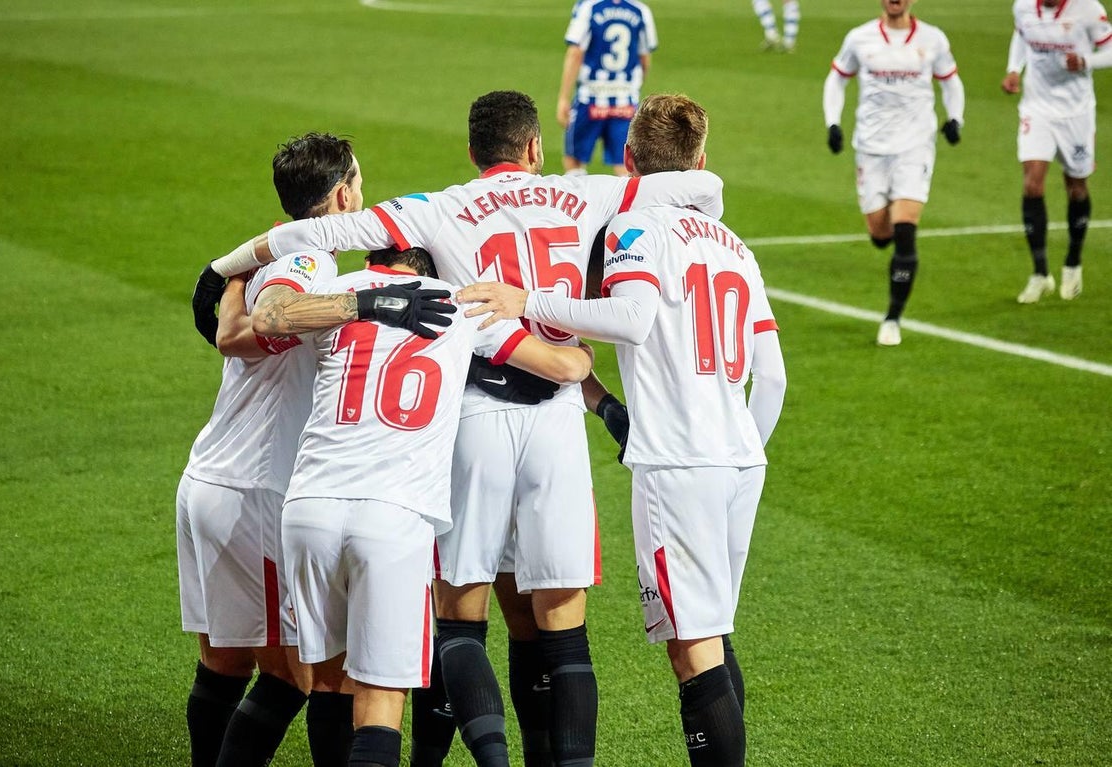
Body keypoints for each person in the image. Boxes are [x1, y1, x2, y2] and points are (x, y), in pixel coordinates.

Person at [207, 89, 724, 767]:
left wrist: (225, 267)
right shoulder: (591, 193)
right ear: (535, 148)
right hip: (557, 412)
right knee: (564, 629)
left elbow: (322, 233)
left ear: (473, 151)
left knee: (457, 618)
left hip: (471, 412)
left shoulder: (438, 207)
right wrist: (595, 389)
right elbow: (693, 184)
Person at [456, 93, 787, 767]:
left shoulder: (637, 231)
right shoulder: (736, 244)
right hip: (740, 462)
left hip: (677, 464)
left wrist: (530, 302)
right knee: (712, 634)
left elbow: (631, 318)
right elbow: (773, 376)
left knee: (693, 649)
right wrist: (739, 447)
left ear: (629, 159)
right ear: (701, 160)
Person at [180, 132, 453, 767]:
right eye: (360, 183)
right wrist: (367, 302)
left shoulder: (291, 257)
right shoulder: (311, 265)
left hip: (217, 476)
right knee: (294, 677)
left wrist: (227, 275)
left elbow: (236, 319)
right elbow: (245, 334)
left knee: (225, 663)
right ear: (342, 195)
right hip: (256, 486)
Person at [275, 245, 594, 767]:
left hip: (309, 505)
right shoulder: (454, 300)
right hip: (394, 515)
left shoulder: (337, 294)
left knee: (329, 683)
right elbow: (561, 366)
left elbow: (265, 324)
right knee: (379, 698)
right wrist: (585, 357)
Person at [822, 0, 965, 346]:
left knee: (904, 228)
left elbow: (951, 82)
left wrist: (956, 118)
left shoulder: (933, 39)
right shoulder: (860, 38)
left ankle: (892, 318)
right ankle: (886, 243)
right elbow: (836, 80)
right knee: (880, 232)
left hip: (915, 146)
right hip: (871, 147)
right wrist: (833, 123)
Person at [1002, 0, 1112, 303]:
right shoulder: (1023, 7)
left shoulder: (1089, 10)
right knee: (1032, 183)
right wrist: (1014, 69)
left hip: (1076, 113)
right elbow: (1021, 35)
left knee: (1076, 186)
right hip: (1036, 108)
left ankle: (1073, 263)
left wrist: (1086, 61)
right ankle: (1040, 274)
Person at [557, 0, 658, 177]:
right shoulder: (641, 11)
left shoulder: (589, 7)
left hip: (590, 99)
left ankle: (580, 203)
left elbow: (575, 52)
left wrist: (564, 97)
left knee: (574, 162)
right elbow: (645, 59)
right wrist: (632, 89)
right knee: (625, 165)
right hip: (625, 102)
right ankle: (627, 204)